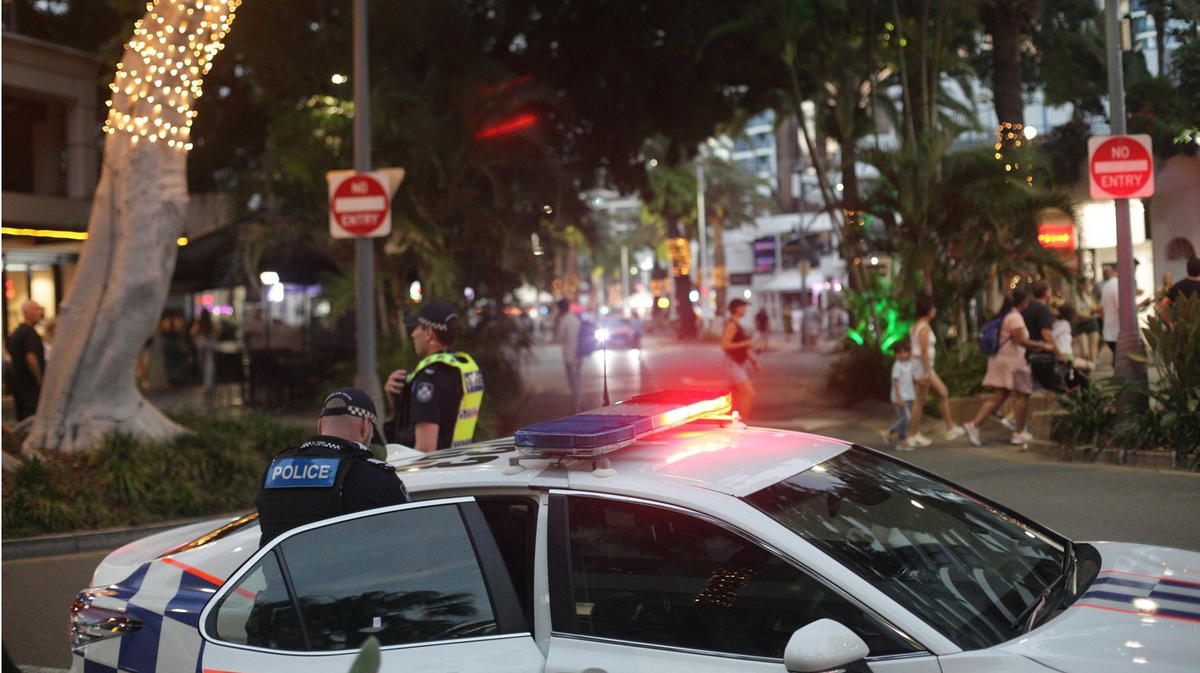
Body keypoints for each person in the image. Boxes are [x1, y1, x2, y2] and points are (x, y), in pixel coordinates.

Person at [256, 387, 409, 547]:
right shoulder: (378, 478)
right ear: (365, 425)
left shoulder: (274, 471)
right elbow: (410, 543)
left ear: (320, 426)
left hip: (284, 572)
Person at [384, 302, 484, 453]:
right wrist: (397, 399)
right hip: (458, 462)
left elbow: (425, 449)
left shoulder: (429, 380)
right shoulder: (460, 369)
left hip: (433, 472)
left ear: (429, 333)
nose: (413, 334)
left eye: (417, 327)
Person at [964, 290, 1055, 447]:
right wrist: (1042, 345)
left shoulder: (1007, 316)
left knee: (999, 397)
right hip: (1013, 362)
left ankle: (974, 425)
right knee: (1023, 395)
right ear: (1023, 302)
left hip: (1001, 360)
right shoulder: (1015, 317)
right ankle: (1018, 433)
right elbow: (1020, 340)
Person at [906, 298, 965, 446]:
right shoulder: (923, 328)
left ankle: (949, 427)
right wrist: (926, 372)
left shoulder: (916, 327)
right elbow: (924, 351)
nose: (935, 311)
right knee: (920, 400)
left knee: (942, 393)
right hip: (923, 369)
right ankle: (913, 434)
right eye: (933, 309)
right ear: (929, 311)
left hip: (922, 368)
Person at [6, 300, 46, 421]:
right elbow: (31, 358)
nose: (40, 313)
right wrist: (39, 379)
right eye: (36, 309)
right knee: (32, 416)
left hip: (18, 383)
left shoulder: (17, 332)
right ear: (26, 312)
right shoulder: (29, 333)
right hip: (29, 384)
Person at [722, 299, 761, 418]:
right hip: (732, 363)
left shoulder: (737, 324)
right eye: (743, 307)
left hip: (735, 363)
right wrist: (745, 343)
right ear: (737, 309)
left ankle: (731, 423)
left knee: (733, 396)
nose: (745, 310)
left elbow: (745, 349)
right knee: (749, 394)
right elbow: (725, 345)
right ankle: (742, 424)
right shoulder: (732, 325)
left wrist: (754, 363)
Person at [882, 340, 916, 451]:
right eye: (899, 352)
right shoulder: (897, 366)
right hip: (900, 397)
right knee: (906, 418)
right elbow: (895, 382)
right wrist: (899, 397)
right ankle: (890, 432)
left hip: (908, 395)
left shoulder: (908, 364)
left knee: (904, 418)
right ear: (896, 354)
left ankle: (902, 440)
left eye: (905, 352)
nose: (902, 355)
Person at [553, 298, 584, 413]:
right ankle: (581, 404)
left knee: (573, 383)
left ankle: (577, 408)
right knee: (578, 381)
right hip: (579, 354)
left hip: (569, 355)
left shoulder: (564, 320)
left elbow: (558, 338)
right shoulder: (575, 318)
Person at [189, 309, 218, 404]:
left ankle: (207, 386)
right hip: (204, 351)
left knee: (207, 369)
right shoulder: (205, 324)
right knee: (207, 368)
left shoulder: (207, 324)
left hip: (205, 351)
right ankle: (207, 386)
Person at [1071, 278, 1101, 368]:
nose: (1089, 285)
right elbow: (1078, 312)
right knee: (1085, 353)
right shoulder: (1077, 297)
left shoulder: (1090, 296)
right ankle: (1087, 371)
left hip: (1092, 324)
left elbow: (1095, 309)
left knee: (1093, 353)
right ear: (1081, 285)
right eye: (1087, 283)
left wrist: (1092, 313)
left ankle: (1091, 377)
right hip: (1082, 324)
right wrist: (1089, 315)